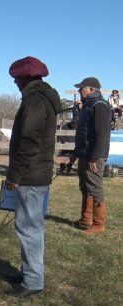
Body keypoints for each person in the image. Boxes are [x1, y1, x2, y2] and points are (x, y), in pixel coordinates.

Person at [4, 56, 62, 298]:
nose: (15, 84)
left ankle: (33, 281)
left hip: (30, 174)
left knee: (29, 229)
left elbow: (29, 141)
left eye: (17, 79)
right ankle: (29, 271)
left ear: (25, 78)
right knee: (30, 227)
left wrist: (15, 174)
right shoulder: (39, 98)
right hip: (36, 172)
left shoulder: (35, 101)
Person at [70, 77, 111, 235]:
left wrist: (95, 158)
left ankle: (99, 224)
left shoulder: (100, 106)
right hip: (84, 153)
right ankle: (86, 219)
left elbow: (102, 135)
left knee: (95, 187)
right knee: (85, 186)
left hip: (94, 155)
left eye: (82, 88)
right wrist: (75, 153)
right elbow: (83, 134)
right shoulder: (87, 106)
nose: (80, 91)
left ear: (92, 89)